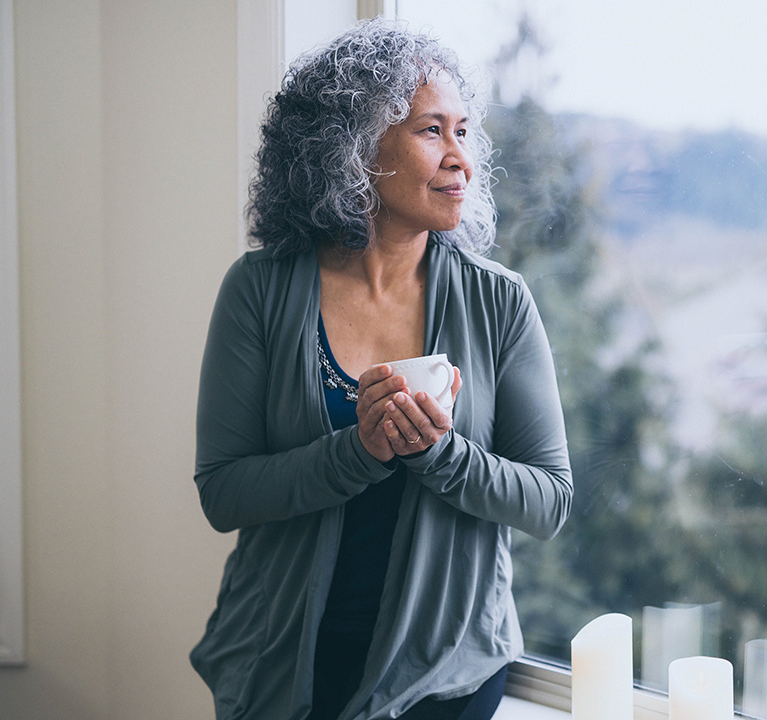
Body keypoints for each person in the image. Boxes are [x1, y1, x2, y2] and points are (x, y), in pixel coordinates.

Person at [191, 20, 572, 720]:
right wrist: (357, 451)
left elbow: (547, 499)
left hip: (444, 678)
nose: (461, 158)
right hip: (278, 668)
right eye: (432, 130)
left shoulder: (500, 301)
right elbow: (224, 492)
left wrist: (440, 454)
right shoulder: (258, 290)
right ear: (352, 150)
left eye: (464, 132)